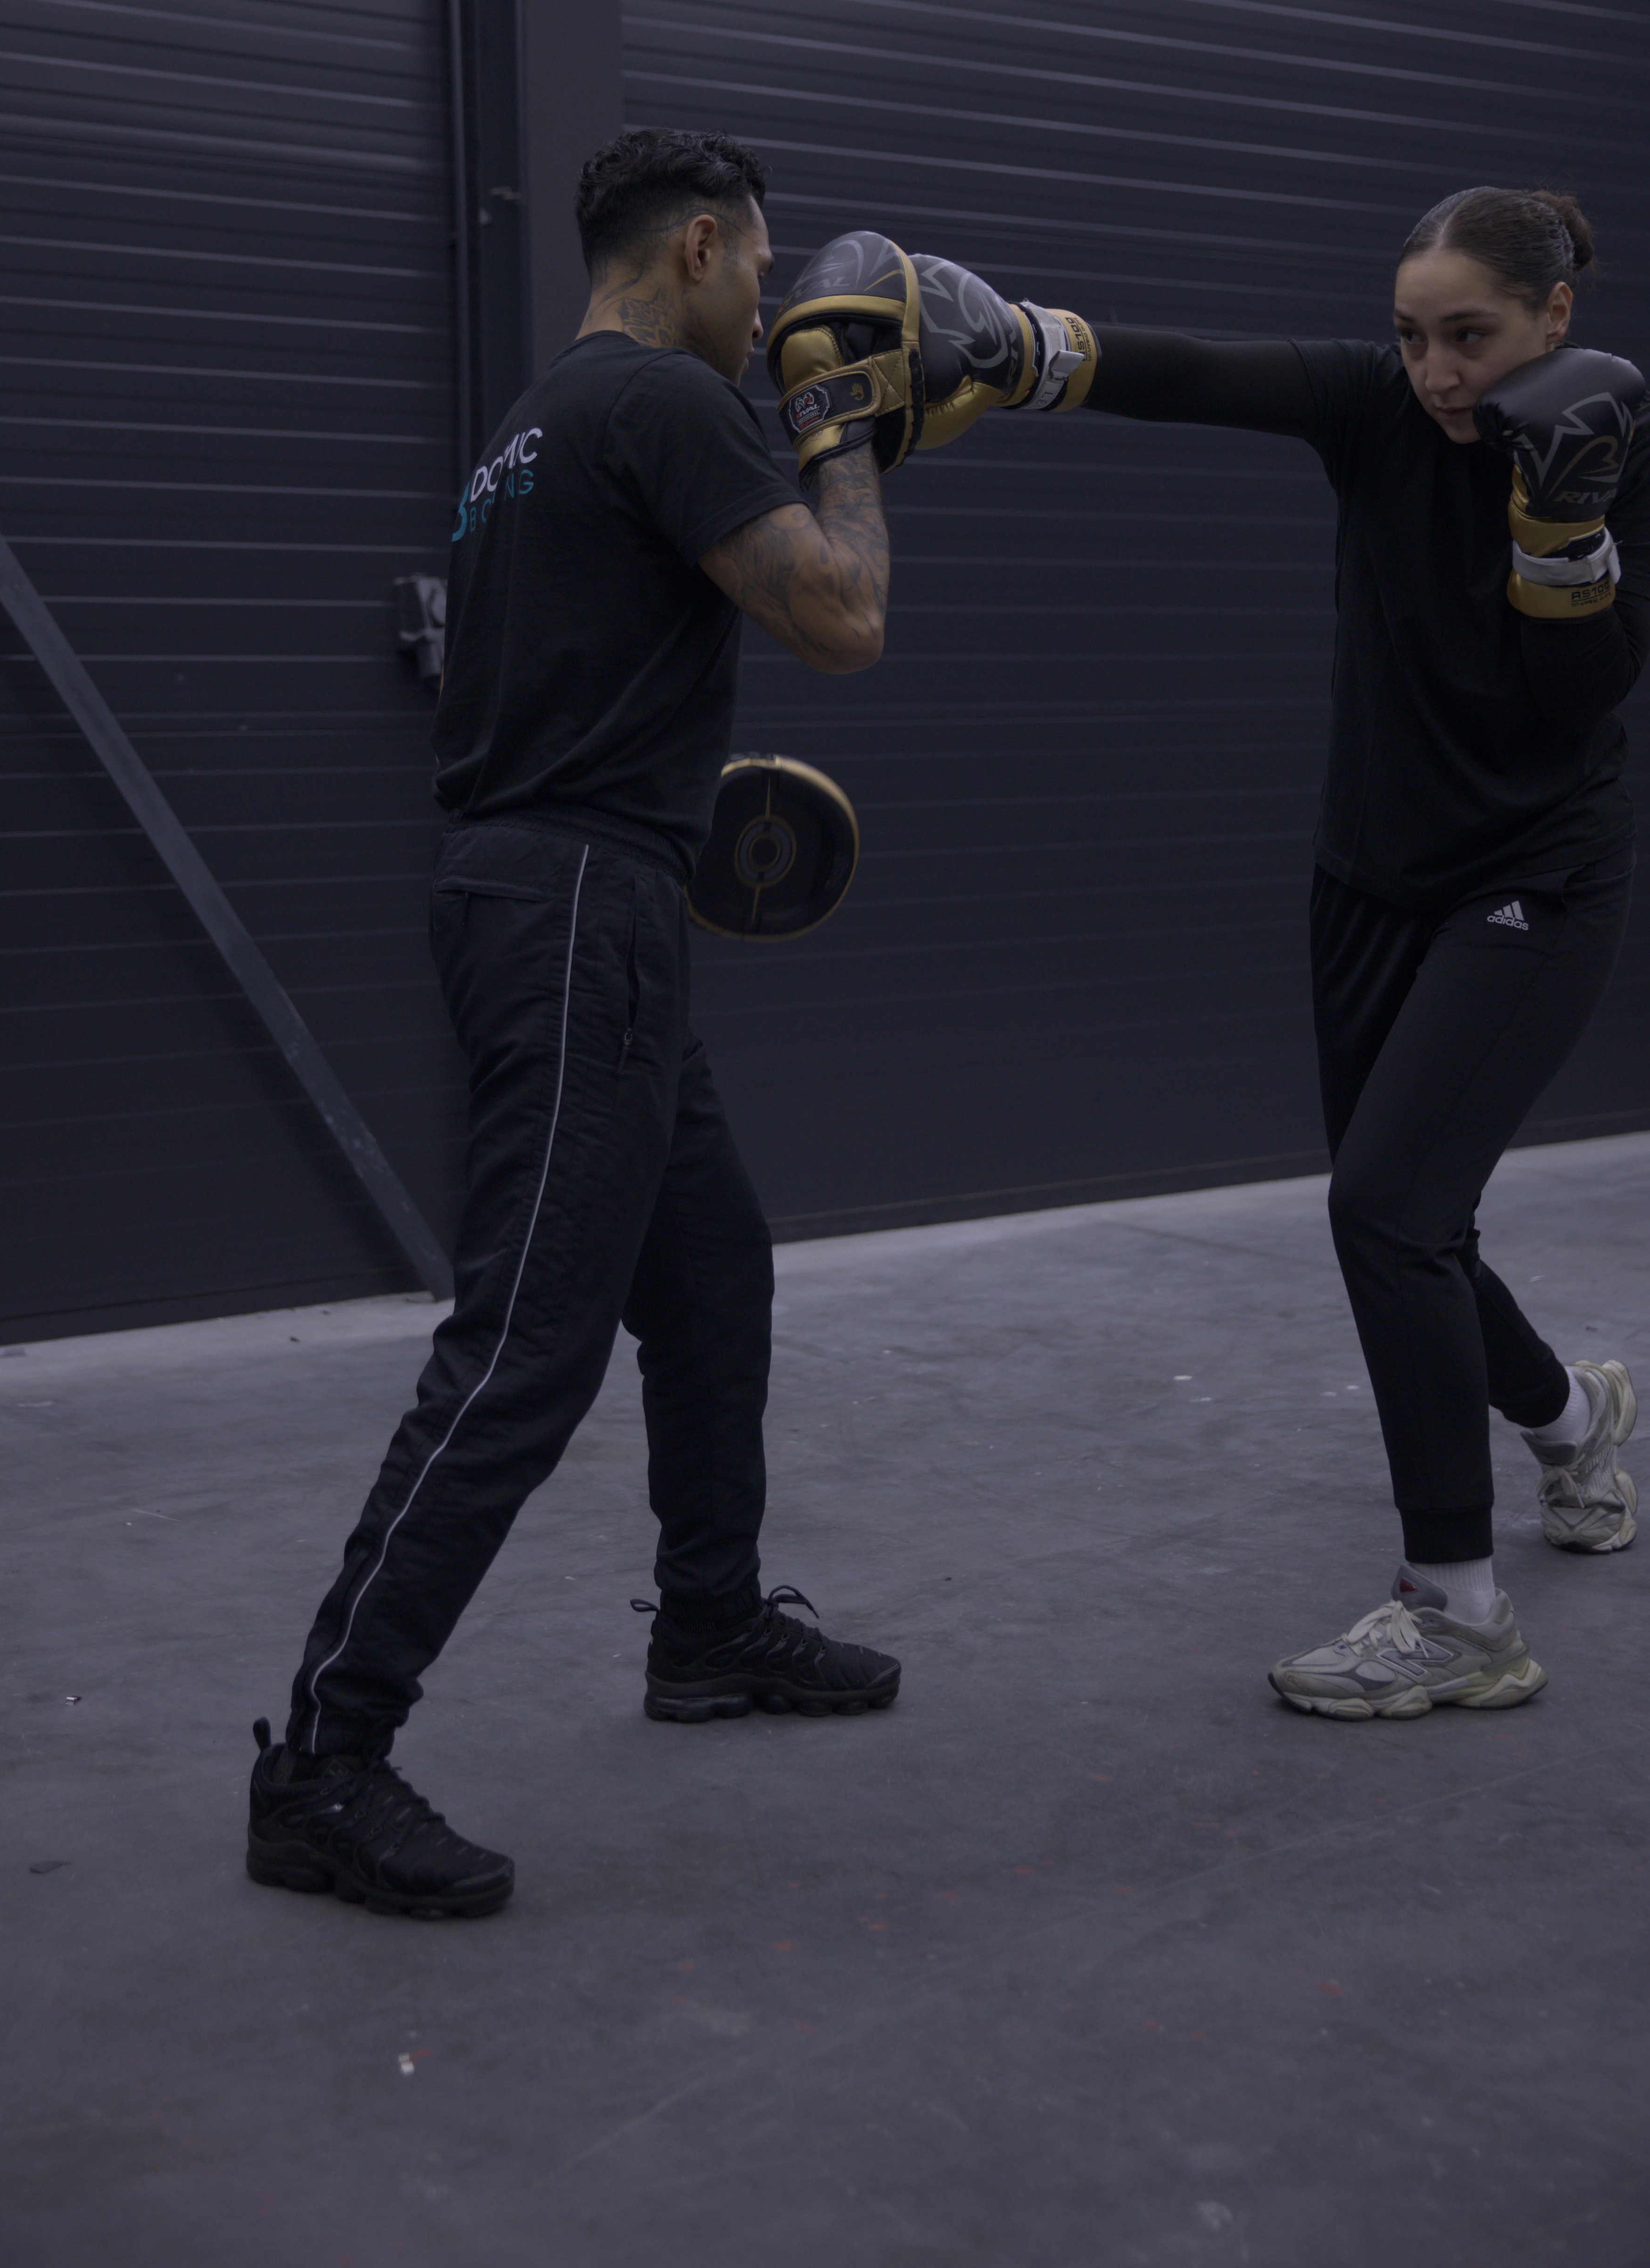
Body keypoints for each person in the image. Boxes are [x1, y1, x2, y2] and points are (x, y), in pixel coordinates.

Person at [246, 129, 902, 1919]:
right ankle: (324, 1759)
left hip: (560, 895)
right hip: (576, 919)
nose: (770, 306)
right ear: (696, 245)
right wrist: (842, 432)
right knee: (529, 1343)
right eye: (760, 271)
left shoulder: (534, 425)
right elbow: (842, 616)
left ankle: (706, 1629)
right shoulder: (667, 409)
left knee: (714, 1273)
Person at [1019, 187, 1644, 1716]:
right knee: (1412, 1218)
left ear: (1552, 319)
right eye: (1413, 337)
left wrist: (1557, 527)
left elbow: (1579, 696)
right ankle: (1573, 1421)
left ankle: (1457, 1613)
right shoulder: (1374, 406)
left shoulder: (1609, 447)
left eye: (1471, 339)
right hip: (1368, 876)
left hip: (1529, 880)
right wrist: (1015, 343)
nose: (1435, 371)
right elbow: (1191, 372)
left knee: (1384, 1212)